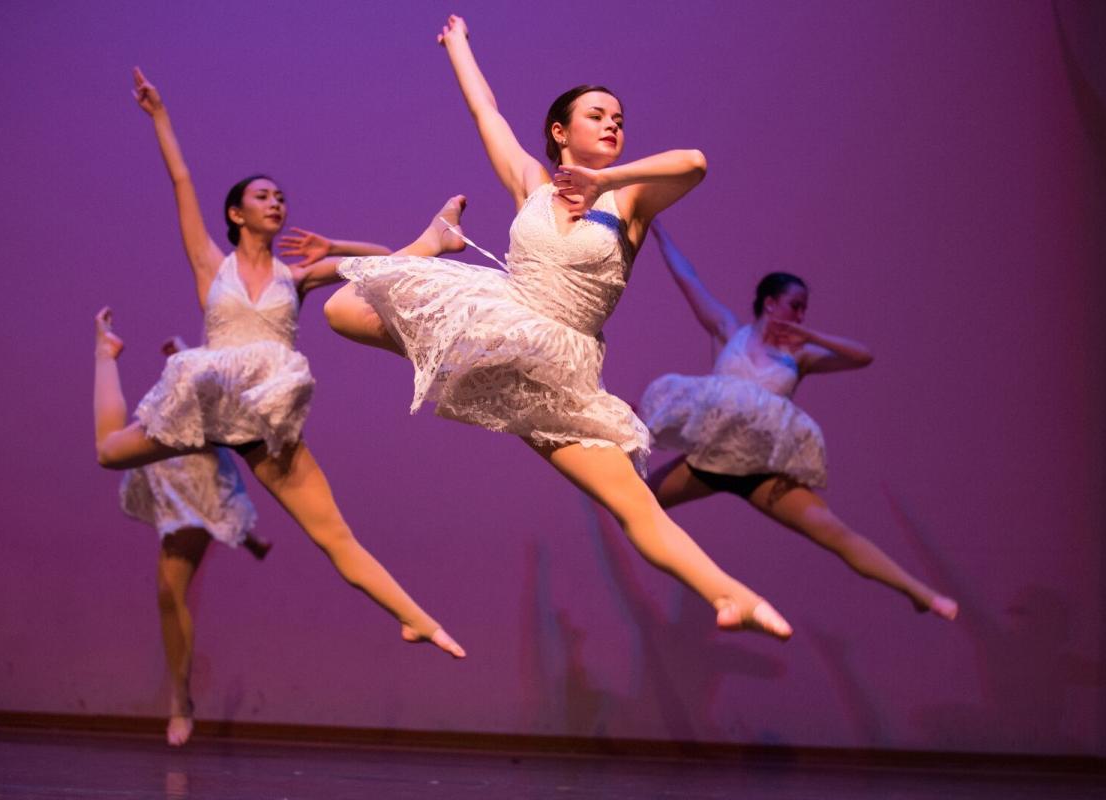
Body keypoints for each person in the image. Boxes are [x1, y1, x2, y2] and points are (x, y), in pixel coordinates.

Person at [308, 16, 792, 639]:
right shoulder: (531, 186)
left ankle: (731, 596)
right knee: (342, 308)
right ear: (561, 133)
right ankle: (433, 240)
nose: (613, 124)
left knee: (633, 504)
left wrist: (606, 179)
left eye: (619, 118)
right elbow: (486, 112)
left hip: (559, 372)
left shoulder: (628, 201)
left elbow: (694, 164)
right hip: (499, 321)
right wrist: (458, 46)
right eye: (597, 115)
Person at [93, 68, 467, 663]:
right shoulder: (210, 264)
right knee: (109, 451)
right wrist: (159, 114)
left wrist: (335, 246)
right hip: (204, 404)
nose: (276, 203)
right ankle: (104, 353)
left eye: (280, 197)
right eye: (262, 196)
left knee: (333, 535)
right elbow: (181, 179)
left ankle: (419, 621)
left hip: (262, 420)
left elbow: (382, 264)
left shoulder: (297, 276)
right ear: (237, 213)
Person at [639, 223, 958, 620]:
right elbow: (688, 279)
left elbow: (862, 356)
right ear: (770, 303)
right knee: (635, 501)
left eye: (805, 308)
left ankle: (921, 593)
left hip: (762, 473)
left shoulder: (798, 357)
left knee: (835, 533)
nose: (800, 314)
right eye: (795, 305)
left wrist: (812, 337)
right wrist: (659, 232)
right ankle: (712, 587)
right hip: (707, 463)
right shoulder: (728, 332)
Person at [119, 335, 271, 746]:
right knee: (168, 594)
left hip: (199, 491)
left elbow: (222, 418)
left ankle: (179, 701)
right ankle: (247, 537)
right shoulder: (166, 400)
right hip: (169, 484)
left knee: (169, 591)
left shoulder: (214, 393)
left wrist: (186, 354)